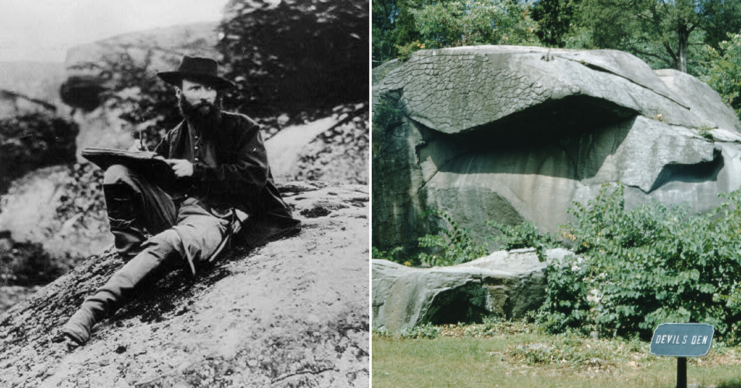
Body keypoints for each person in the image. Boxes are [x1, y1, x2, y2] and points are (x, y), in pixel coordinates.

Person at [60, 55, 300, 345]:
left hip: (218, 218)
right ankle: (135, 260)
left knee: (169, 241)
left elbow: (253, 178)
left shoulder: (240, 127)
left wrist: (196, 172)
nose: (205, 96)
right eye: (195, 88)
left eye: (210, 89)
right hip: (176, 212)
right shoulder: (176, 136)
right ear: (179, 92)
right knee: (117, 173)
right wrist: (138, 157)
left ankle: (92, 309)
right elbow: (159, 176)